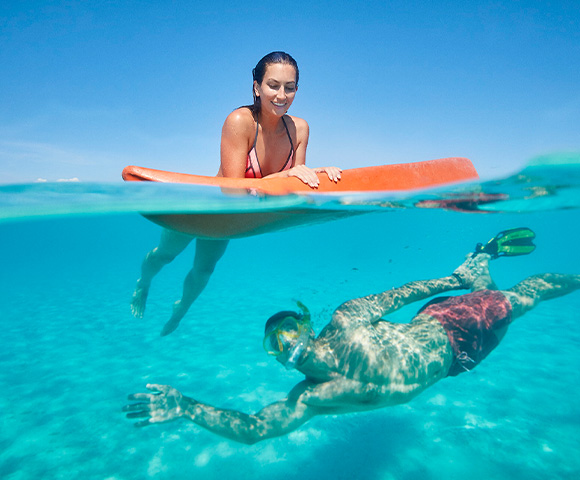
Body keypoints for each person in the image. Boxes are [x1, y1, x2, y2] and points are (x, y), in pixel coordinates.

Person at [124, 228, 580, 444]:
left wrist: (451, 281)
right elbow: (254, 429)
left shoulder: (345, 320)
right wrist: (185, 407)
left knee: (522, 299)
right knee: (498, 299)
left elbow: (400, 295)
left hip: (446, 325)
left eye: (286, 331)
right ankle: (482, 257)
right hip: (456, 364)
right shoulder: (309, 398)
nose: (285, 344)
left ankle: (482, 268)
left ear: (303, 325)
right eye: (274, 345)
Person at [130, 52, 341, 336]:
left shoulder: (299, 129)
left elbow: (296, 179)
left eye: (289, 87)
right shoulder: (240, 121)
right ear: (257, 87)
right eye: (273, 85)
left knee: (204, 271)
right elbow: (232, 189)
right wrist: (285, 176)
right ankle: (144, 283)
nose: (281, 94)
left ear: (297, 90)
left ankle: (180, 310)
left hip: (231, 219)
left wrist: (319, 175)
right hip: (206, 208)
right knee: (165, 255)